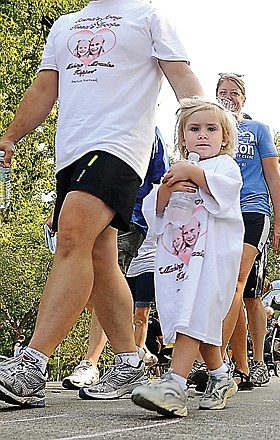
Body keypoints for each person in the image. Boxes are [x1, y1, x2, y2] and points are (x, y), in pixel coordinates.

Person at [0, 0, 203, 408]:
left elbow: (182, 77)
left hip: (121, 145)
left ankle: (32, 365)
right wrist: (11, 136)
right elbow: (44, 88)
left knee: (71, 233)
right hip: (71, 151)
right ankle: (129, 361)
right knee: (98, 256)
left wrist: (202, 146)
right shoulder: (65, 23)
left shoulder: (148, 17)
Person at [131, 97, 243, 417]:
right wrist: (168, 188)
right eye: (194, 129)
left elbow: (224, 193)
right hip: (179, 260)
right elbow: (155, 212)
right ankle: (221, 377)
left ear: (225, 138)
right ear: (182, 138)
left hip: (210, 261)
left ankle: (174, 385)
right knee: (195, 320)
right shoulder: (174, 170)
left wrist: (194, 173)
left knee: (192, 318)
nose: (203, 135)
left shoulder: (224, 166)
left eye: (212, 129)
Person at [62, 128, 170, 390]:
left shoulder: (150, 132)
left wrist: (158, 225)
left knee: (105, 280)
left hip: (128, 218)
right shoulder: (95, 121)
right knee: (86, 285)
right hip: (92, 215)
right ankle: (131, 357)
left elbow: (162, 181)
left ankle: (95, 362)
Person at [215, 73, 280, 389]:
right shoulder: (211, 128)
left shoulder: (257, 130)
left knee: (246, 290)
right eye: (222, 91)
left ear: (244, 98)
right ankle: (232, 363)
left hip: (253, 209)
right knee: (229, 289)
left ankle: (257, 362)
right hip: (219, 212)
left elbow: (273, 175)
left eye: (234, 92)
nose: (228, 96)